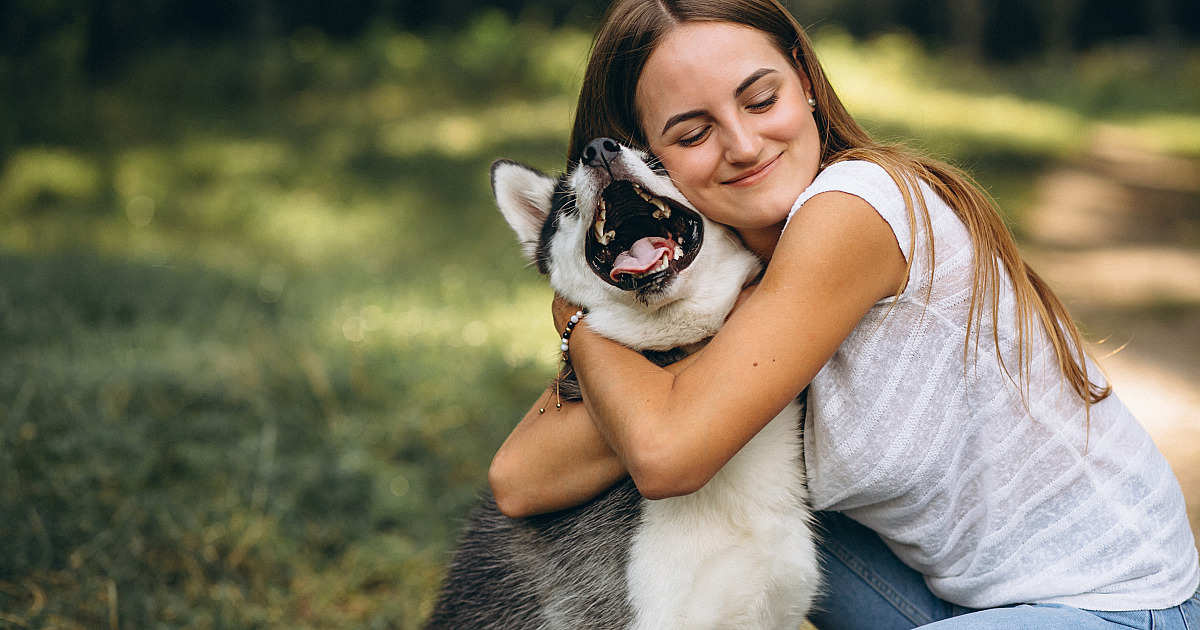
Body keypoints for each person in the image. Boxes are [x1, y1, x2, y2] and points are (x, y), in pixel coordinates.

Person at [486, 0, 1200, 627]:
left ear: (803, 76)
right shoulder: (723, 281)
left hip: (1114, 606)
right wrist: (598, 310)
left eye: (760, 99)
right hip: (948, 600)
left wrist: (579, 313)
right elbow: (521, 480)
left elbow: (667, 455)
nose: (742, 144)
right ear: (651, 164)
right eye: (694, 133)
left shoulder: (854, 209)